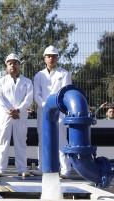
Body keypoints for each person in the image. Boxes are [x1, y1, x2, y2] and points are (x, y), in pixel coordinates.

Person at [33, 45, 72, 178]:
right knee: (42, 138)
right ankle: (42, 166)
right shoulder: (39, 75)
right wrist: (44, 105)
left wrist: (57, 106)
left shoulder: (64, 73)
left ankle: (65, 169)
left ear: (57, 58)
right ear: (44, 58)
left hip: (59, 112)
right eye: (49, 56)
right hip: (43, 111)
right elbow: (36, 94)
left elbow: (66, 93)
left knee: (61, 139)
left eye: (54, 56)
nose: (51, 59)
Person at [0, 53, 33, 177]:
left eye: (15, 63)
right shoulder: (0, 81)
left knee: (21, 142)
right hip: (5, 116)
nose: (13, 65)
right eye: (10, 63)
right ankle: (1, 168)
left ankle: (22, 168)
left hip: (20, 116)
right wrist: (11, 110)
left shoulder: (27, 82)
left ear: (19, 65)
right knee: (3, 141)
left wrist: (18, 110)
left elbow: (28, 99)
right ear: (6, 66)